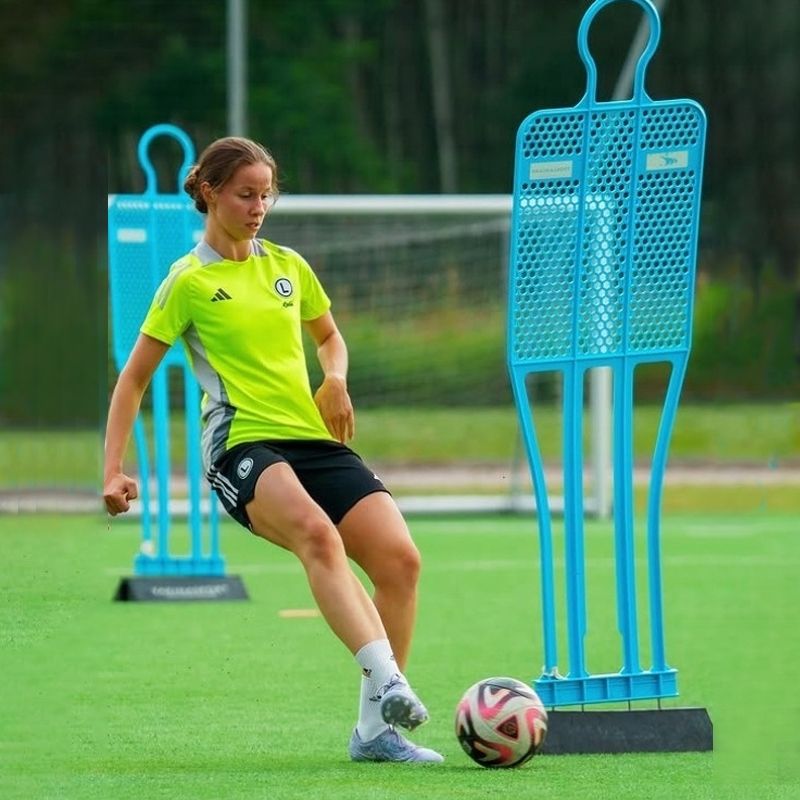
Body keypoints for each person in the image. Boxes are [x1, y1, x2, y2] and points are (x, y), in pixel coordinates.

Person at [103, 136, 443, 764]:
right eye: (246, 195)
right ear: (210, 192)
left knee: (401, 562)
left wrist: (334, 379)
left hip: (310, 438)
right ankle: (388, 678)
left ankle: (375, 733)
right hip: (242, 444)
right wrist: (113, 470)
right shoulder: (188, 281)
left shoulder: (289, 265)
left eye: (266, 195)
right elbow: (134, 379)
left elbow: (330, 337)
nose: (259, 207)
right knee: (318, 535)